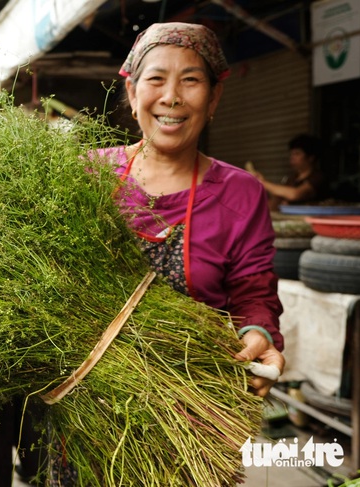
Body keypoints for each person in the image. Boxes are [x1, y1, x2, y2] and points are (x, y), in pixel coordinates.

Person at [99, 21, 285, 393]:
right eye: (156, 80)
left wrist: (256, 333)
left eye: (190, 80)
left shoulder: (240, 192)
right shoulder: (89, 175)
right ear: (133, 94)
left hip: (196, 392)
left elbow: (253, 292)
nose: (172, 97)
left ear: (214, 98)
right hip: (89, 393)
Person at [249, 133, 328, 211]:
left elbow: (295, 194)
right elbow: (275, 203)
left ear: (311, 157)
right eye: (291, 154)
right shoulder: (291, 179)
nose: (292, 157)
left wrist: (263, 182)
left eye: (297, 154)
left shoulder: (317, 177)